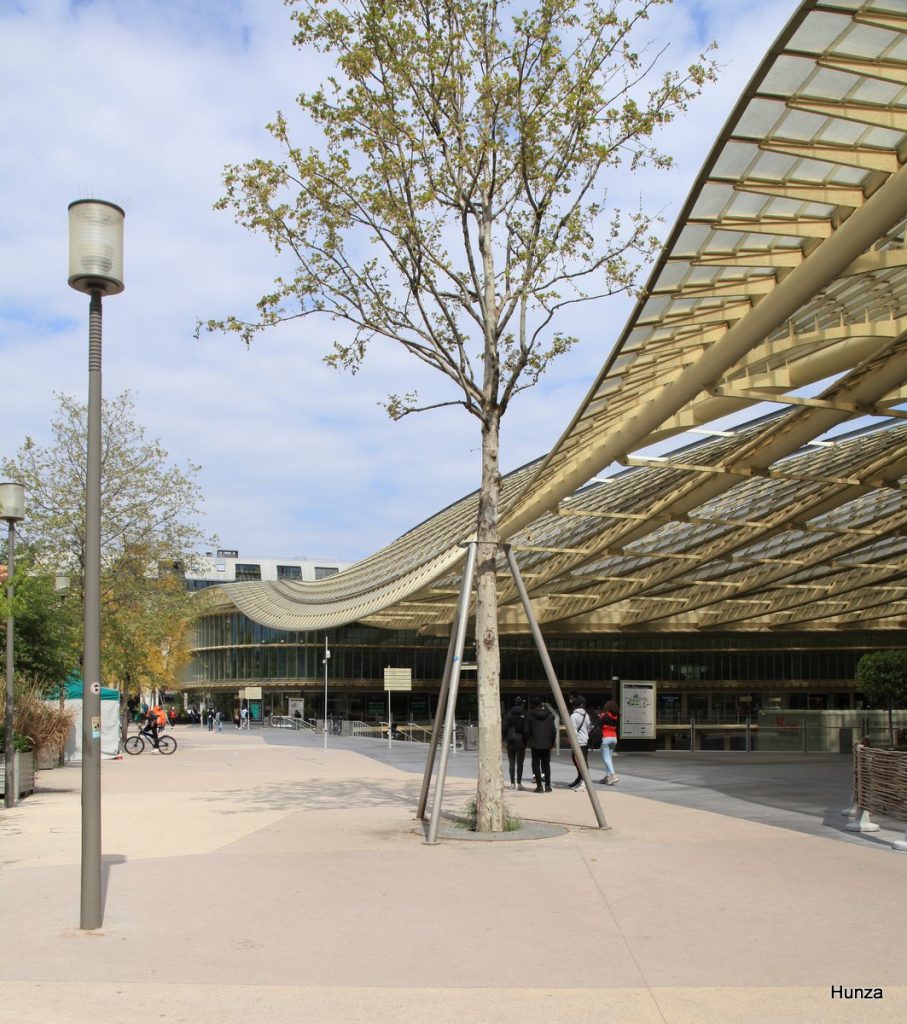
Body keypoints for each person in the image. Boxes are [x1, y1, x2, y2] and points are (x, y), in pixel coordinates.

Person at [524, 696, 556, 793]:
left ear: (533, 705)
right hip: (547, 743)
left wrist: (528, 740)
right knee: (546, 765)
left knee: (536, 764)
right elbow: (553, 731)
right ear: (542, 704)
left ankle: (539, 786)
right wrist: (552, 743)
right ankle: (548, 786)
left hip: (535, 743)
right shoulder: (550, 716)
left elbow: (526, 731)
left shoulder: (529, 716)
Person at [501, 697, 527, 790]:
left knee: (511, 763)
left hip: (511, 739)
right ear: (521, 704)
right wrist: (527, 740)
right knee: (520, 763)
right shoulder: (524, 714)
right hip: (521, 740)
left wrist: (504, 738)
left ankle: (512, 783)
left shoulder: (508, 715)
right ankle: (519, 783)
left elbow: (504, 728)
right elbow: (526, 729)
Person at [567, 696, 591, 792]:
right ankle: (581, 781)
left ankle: (584, 783)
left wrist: (572, 741)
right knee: (583, 762)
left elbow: (573, 731)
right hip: (584, 741)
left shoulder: (573, 716)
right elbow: (589, 727)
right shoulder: (586, 715)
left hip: (577, 743)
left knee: (579, 763)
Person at [599, 699, 620, 785]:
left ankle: (613, 776)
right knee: (609, 759)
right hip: (614, 739)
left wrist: (599, 717)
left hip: (605, 738)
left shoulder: (604, 715)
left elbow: (599, 725)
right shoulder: (616, 716)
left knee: (606, 759)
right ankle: (607, 777)